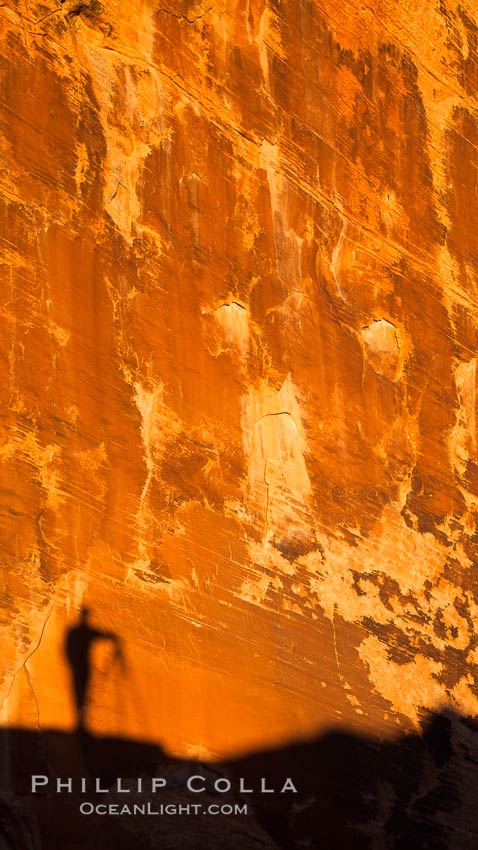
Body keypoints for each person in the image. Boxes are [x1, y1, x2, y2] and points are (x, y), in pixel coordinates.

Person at [65, 606, 123, 731]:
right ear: (85, 616)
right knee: (82, 693)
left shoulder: (76, 631)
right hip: (81, 667)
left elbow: (66, 649)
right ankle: (80, 723)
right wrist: (113, 637)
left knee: (81, 693)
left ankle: (80, 723)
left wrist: (71, 664)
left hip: (80, 667)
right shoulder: (83, 632)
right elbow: (67, 650)